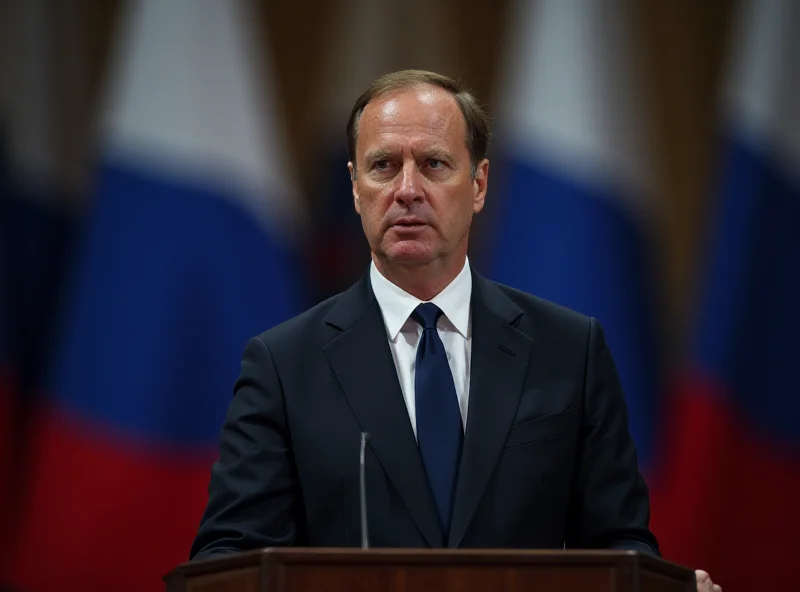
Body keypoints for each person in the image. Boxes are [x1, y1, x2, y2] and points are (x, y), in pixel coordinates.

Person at [189, 70, 720, 592]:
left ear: (479, 184)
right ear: (354, 187)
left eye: (434, 164)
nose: (406, 190)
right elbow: (229, 557)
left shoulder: (569, 350)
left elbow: (619, 546)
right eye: (383, 166)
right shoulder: (284, 365)